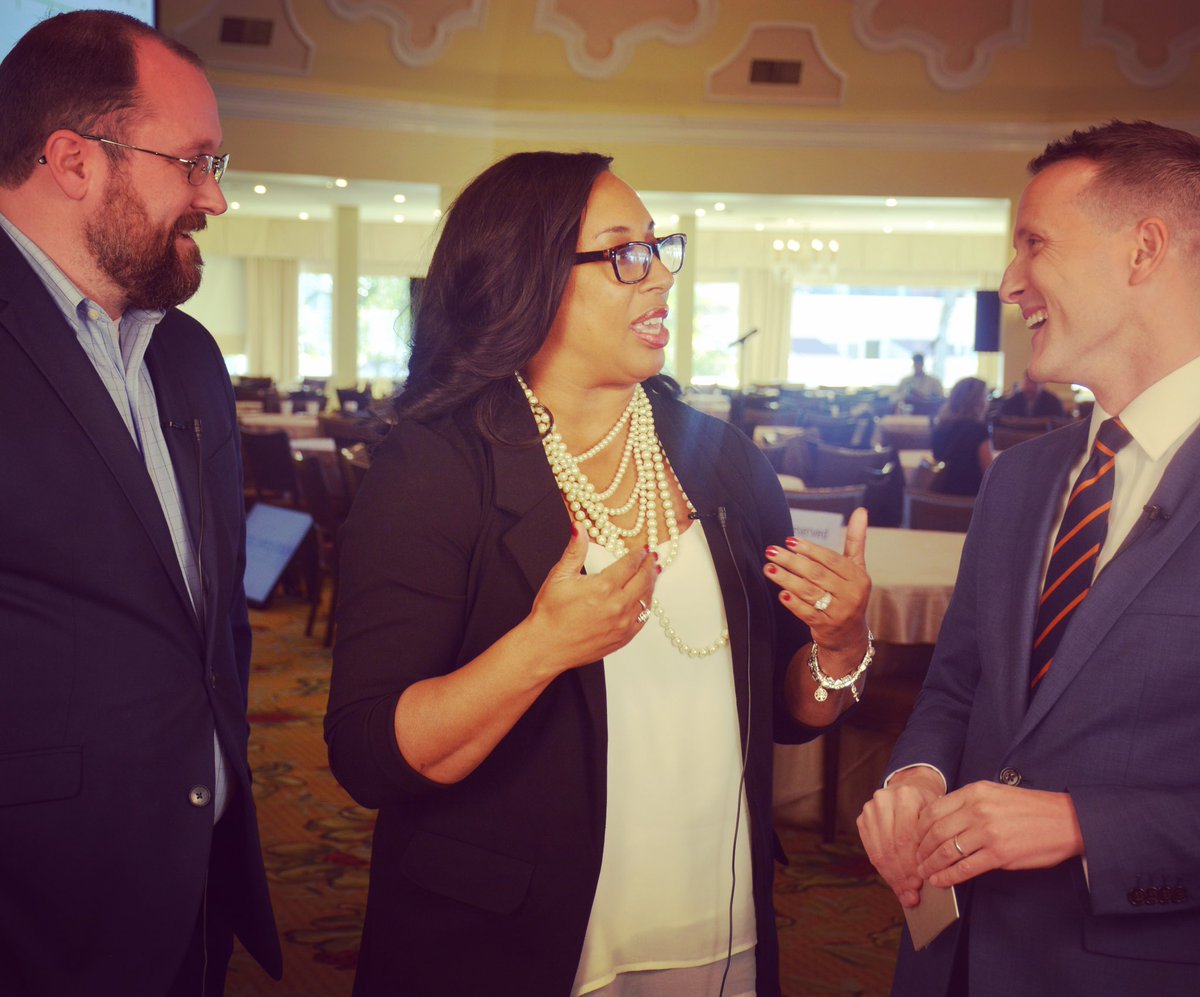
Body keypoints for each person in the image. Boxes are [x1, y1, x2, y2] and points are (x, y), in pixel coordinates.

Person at [324, 151, 875, 996]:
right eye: (624, 253)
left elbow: (786, 712)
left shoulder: (724, 460)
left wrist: (839, 645)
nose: (661, 276)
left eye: (659, 247)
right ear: (528, 278)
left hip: (715, 917)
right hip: (515, 943)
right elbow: (368, 754)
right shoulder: (435, 468)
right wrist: (540, 648)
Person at [857, 119, 1200, 994]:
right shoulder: (1018, 476)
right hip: (953, 958)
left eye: (1034, 244)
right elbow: (956, 685)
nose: (1010, 283)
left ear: (1144, 249)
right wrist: (917, 776)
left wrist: (1084, 824)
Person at [0, 12, 280, 995]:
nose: (216, 197)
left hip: (194, 890)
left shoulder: (188, 353)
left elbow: (213, 617)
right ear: (73, 160)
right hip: (35, 908)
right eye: (193, 162)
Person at [930, 377, 994, 496]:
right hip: (971, 499)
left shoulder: (941, 427)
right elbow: (990, 472)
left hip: (942, 496)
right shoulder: (978, 430)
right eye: (986, 397)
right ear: (978, 401)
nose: (988, 402)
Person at [998, 368, 1066, 419]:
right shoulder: (1012, 401)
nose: (1030, 386)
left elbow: (1059, 426)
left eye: (1034, 383)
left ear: (1043, 384)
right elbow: (1002, 419)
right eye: (1028, 382)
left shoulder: (1053, 402)